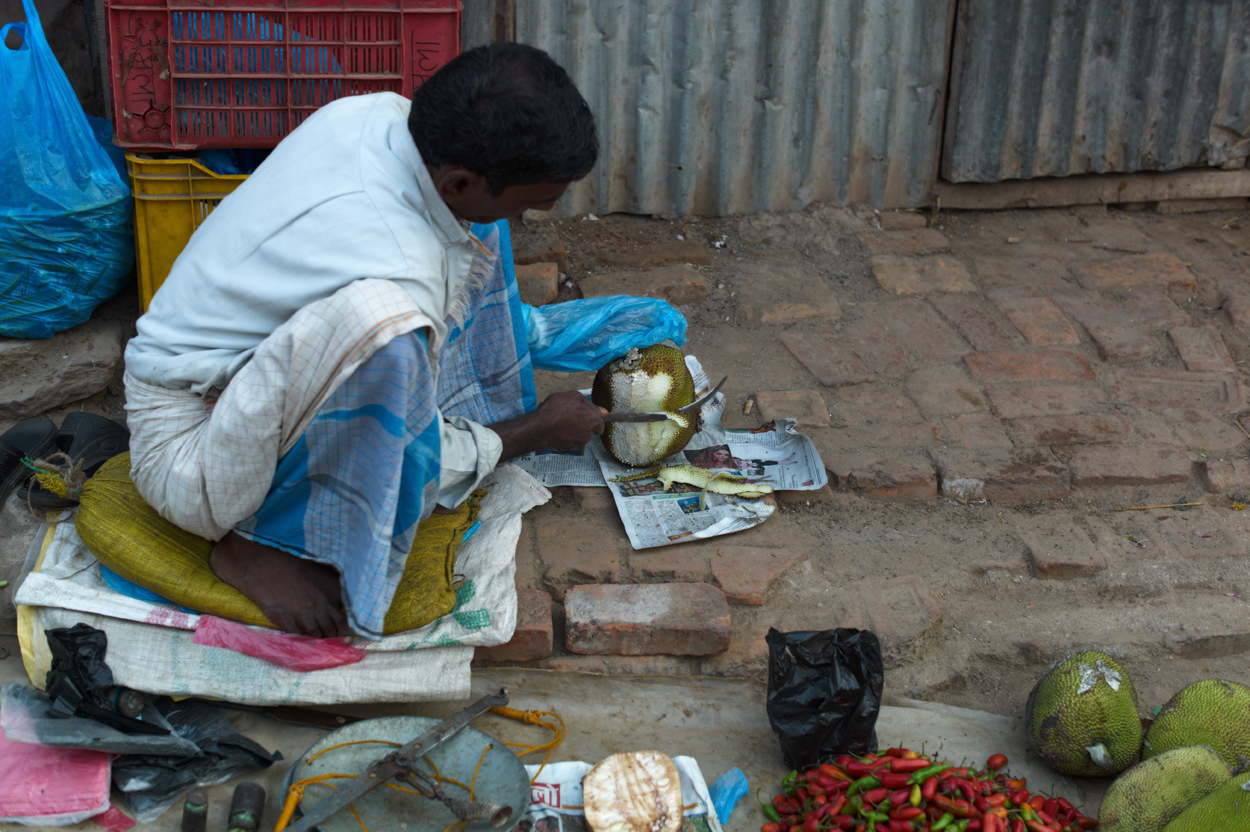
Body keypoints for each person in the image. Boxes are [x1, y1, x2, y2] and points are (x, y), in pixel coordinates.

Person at [122, 43, 610, 639]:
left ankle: (479, 414)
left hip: (239, 383)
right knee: (389, 327)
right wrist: (536, 433)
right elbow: (405, 444)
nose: (532, 215)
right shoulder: (398, 275)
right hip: (191, 454)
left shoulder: (379, 115)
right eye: (532, 202)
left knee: (475, 229)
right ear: (457, 179)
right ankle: (258, 542)